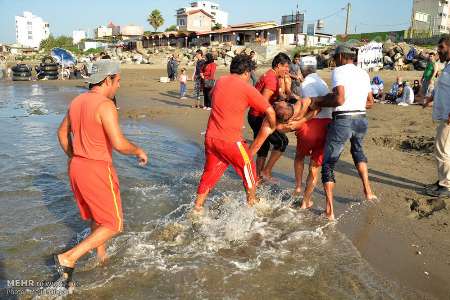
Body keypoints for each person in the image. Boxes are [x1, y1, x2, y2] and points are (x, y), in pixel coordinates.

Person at [55, 60, 148, 286]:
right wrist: (137, 150)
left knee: (99, 216)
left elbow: (61, 133)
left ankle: (101, 255)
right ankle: (69, 257)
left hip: (77, 166)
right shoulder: (105, 105)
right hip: (97, 168)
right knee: (114, 223)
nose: (118, 86)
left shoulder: (77, 101)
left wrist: (74, 156)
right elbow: (118, 143)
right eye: (117, 82)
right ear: (108, 79)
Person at [194, 54, 276, 212]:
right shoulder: (247, 88)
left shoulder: (221, 81)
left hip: (211, 138)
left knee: (210, 173)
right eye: (250, 73)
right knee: (249, 168)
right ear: (246, 72)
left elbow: (213, 97)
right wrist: (272, 128)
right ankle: (252, 204)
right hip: (231, 141)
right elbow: (270, 112)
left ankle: (197, 207)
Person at [309, 43, 376, 220]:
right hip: (361, 119)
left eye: (334, 58)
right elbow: (370, 102)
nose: (333, 61)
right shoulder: (363, 72)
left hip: (343, 121)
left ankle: (329, 211)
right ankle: (368, 191)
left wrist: (320, 102)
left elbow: (339, 99)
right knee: (358, 152)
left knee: (328, 164)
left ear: (340, 57)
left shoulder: (339, 71)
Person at [289, 56, 333, 209]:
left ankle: (298, 186)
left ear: (302, 69)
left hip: (312, 125)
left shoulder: (306, 84)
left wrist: (299, 121)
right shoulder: (321, 82)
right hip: (327, 125)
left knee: (299, 157)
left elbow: (315, 107)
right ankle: (305, 201)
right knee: (314, 167)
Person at [247, 52, 291, 181]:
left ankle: (257, 176)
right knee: (282, 142)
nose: (287, 70)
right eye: (286, 67)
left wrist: (282, 96)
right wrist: (275, 121)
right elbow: (264, 103)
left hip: (253, 115)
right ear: (278, 65)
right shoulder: (272, 79)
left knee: (263, 146)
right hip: (259, 116)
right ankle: (266, 171)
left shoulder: (269, 74)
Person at [423, 35, 450, 197]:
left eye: (441, 47)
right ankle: (442, 180)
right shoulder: (446, 66)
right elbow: (442, 88)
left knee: (441, 151)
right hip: (443, 115)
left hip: (448, 118)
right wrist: (430, 99)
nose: (438, 50)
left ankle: (446, 185)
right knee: (444, 150)